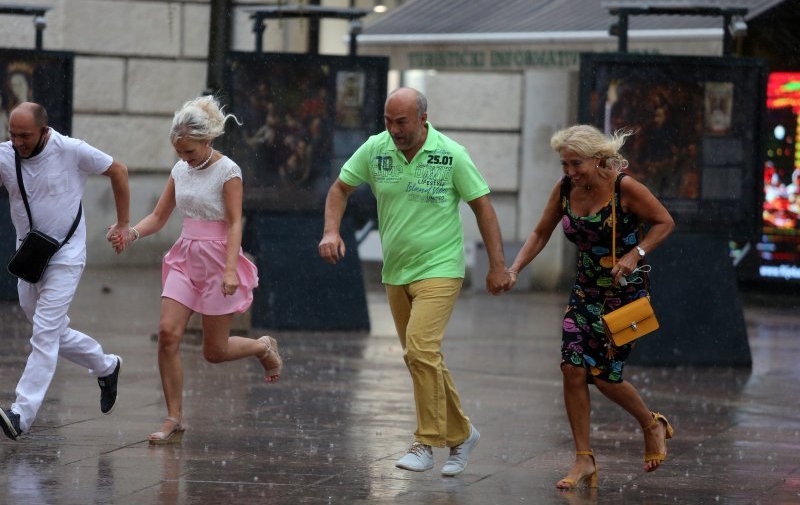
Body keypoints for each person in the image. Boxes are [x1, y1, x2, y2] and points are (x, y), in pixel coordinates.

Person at [318, 87, 511, 476]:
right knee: (423, 358)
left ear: (423, 118)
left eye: (401, 122)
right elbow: (340, 188)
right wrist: (330, 231)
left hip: (440, 268)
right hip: (396, 270)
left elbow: (482, 207)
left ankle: (427, 442)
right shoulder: (376, 149)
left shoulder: (451, 154)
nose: (394, 130)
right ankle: (463, 434)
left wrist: (497, 266)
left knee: (420, 350)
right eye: (388, 121)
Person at [506, 124, 676, 489]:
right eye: (564, 164)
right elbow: (540, 232)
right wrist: (515, 268)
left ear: (598, 158)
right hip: (584, 293)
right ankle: (583, 459)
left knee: (603, 376)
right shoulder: (566, 189)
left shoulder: (624, 187)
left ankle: (651, 423)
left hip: (624, 295)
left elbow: (664, 222)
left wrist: (636, 253)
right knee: (571, 368)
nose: (569, 172)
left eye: (575, 163)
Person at [110, 95, 282, 444]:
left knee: (214, 352)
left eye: (189, 152)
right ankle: (174, 417)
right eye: (179, 152)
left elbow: (235, 224)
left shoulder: (228, 171)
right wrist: (132, 233)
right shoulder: (180, 170)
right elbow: (160, 216)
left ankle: (262, 347)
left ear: (207, 141)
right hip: (186, 257)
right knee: (168, 334)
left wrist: (231, 270)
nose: (184, 159)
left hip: (219, 260)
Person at [0, 102, 128, 441]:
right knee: (52, 331)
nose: (17, 142)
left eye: (24, 135)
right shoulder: (5, 155)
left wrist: (124, 223)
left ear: (44, 130)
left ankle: (21, 413)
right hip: (29, 257)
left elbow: (119, 170)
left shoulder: (71, 150)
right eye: (12, 134)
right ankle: (106, 365)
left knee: (44, 332)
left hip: (67, 255)